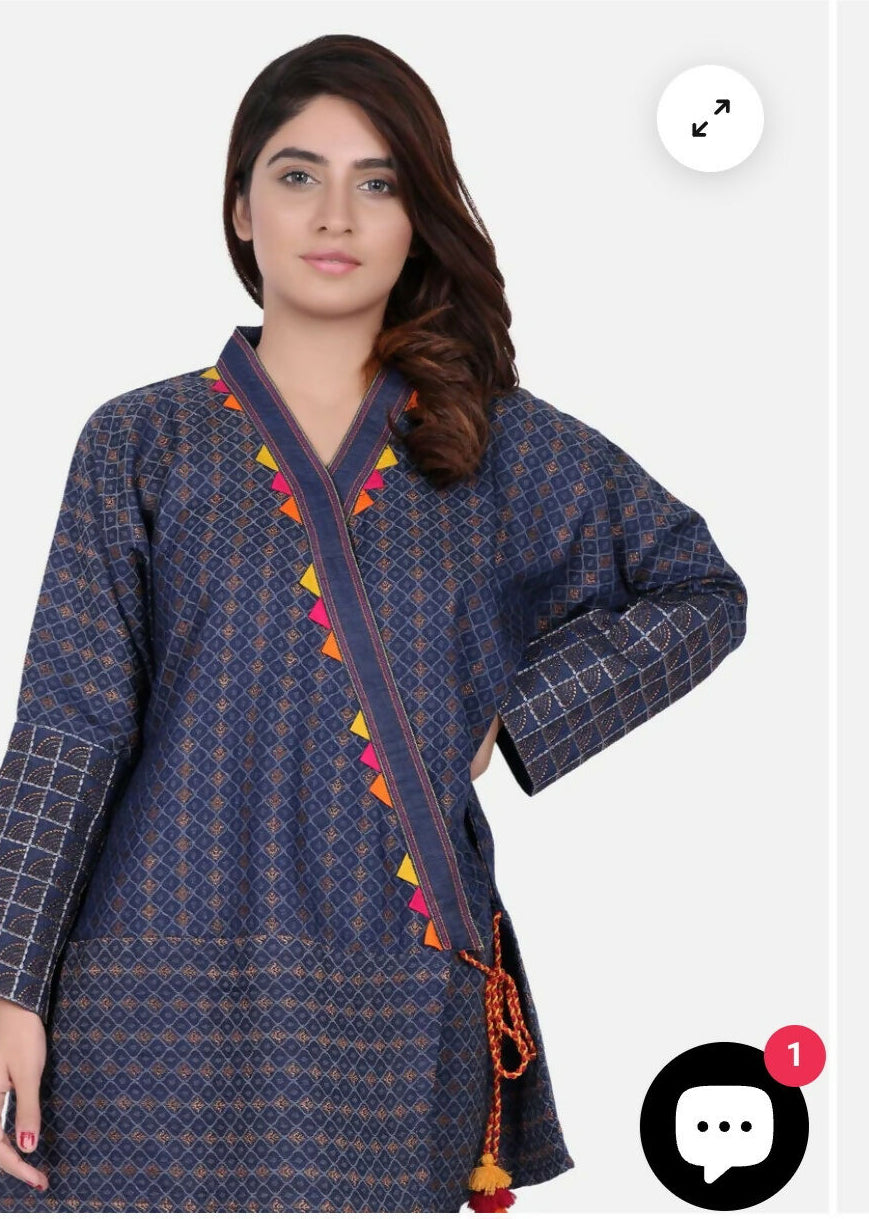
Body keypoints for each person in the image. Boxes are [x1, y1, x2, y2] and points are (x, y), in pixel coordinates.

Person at [0, 32, 748, 1214]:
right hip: (145, 995)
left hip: (391, 990)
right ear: (240, 209)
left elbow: (697, 589)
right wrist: (9, 981)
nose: (334, 214)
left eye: (378, 182)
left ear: (415, 219)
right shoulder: (140, 442)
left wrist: (510, 716)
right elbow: (68, 726)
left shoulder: (493, 444)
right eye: (297, 175)